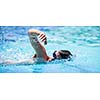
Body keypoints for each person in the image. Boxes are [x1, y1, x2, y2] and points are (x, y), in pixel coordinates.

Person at [2, 29, 72, 65]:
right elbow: (30, 32)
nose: (52, 58)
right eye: (54, 55)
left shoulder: (44, 59)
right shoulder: (43, 56)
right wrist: (40, 33)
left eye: (55, 57)